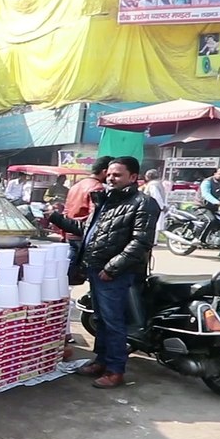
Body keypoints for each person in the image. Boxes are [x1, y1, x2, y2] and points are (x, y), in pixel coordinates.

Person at [49, 157, 158, 388]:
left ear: (133, 177)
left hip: (115, 273)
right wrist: (56, 218)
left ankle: (115, 370)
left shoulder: (143, 203)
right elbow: (87, 229)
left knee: (113, 321)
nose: (111, 178)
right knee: (100, 319)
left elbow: (141, 242)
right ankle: (101, 360)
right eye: (109, 174)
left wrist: (112, 267)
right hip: (95, 268)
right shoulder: (106, 200)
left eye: (117, 175)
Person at [142, 168, 169, 238]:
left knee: (154, 226)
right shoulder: (159, 183)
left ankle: (152, 240)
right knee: (157, 226)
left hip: (154, 208)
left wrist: (161, 207)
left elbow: (156, 197)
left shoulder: (152, 184)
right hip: (159, 208)